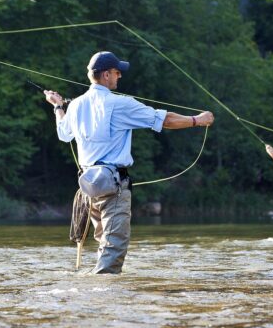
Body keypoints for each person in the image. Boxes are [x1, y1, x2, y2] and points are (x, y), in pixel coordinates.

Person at [44, 51, 214, 273]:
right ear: (105, 75)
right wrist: (197, 120)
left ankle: (95, 295)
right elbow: (164, 120)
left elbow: (63, 134)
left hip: (90, 188)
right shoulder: (119, 104)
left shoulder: (74, 105)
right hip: (113, 185)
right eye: (117, 72)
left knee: (105, 243)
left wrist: (58, 107)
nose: (119, 76)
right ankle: (105, 296)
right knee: (114, 248)